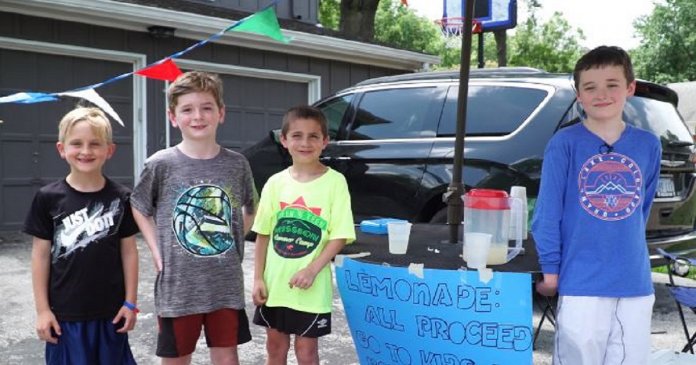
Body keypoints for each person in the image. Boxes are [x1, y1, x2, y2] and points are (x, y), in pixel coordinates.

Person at [532, 45, 661, 365]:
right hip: (580, 282)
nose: (601, 94)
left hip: (635, 282)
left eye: (612, 84)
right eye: (590, 87)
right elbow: (548, 213)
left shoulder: (648, 144)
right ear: (579, 95)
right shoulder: (564, 143)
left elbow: (640, 209)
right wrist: (550, 271)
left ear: (629, 88)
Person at [130, 71, 257, 365]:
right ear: (173, 116)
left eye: (207, 107)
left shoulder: (237, 164)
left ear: (221, 113)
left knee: (227, 358)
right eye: (187, 109)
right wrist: (156, 249)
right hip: (178, 287)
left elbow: (251, 207)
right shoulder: (160, 164)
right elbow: (138, 206)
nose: (197, 116)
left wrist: (233, 242)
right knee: (177, 358)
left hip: (225, 285)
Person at [24, 106, 140, 364]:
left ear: (109, 150)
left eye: (95, 144)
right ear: (61, 149)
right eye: (76, 143)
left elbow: (129, 251)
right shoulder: (47, 198)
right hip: (65, 316)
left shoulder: (122, 198)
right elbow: (40, 256)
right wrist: (43, 311)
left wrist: (130, 303)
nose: (86, 151)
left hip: (111, 314)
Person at [251, 105, 356, 365]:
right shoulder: (275, 183)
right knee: (275, 349)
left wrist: (312, 270)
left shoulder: (335, 183)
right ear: (284, 140)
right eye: (297, 136)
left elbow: (340, 235)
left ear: (325, 141)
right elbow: (263, 233)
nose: (305, 143)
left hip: (311, 288)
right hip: (275, 286)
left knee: (306, 352)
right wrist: (257, 279)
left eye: (313, 136)